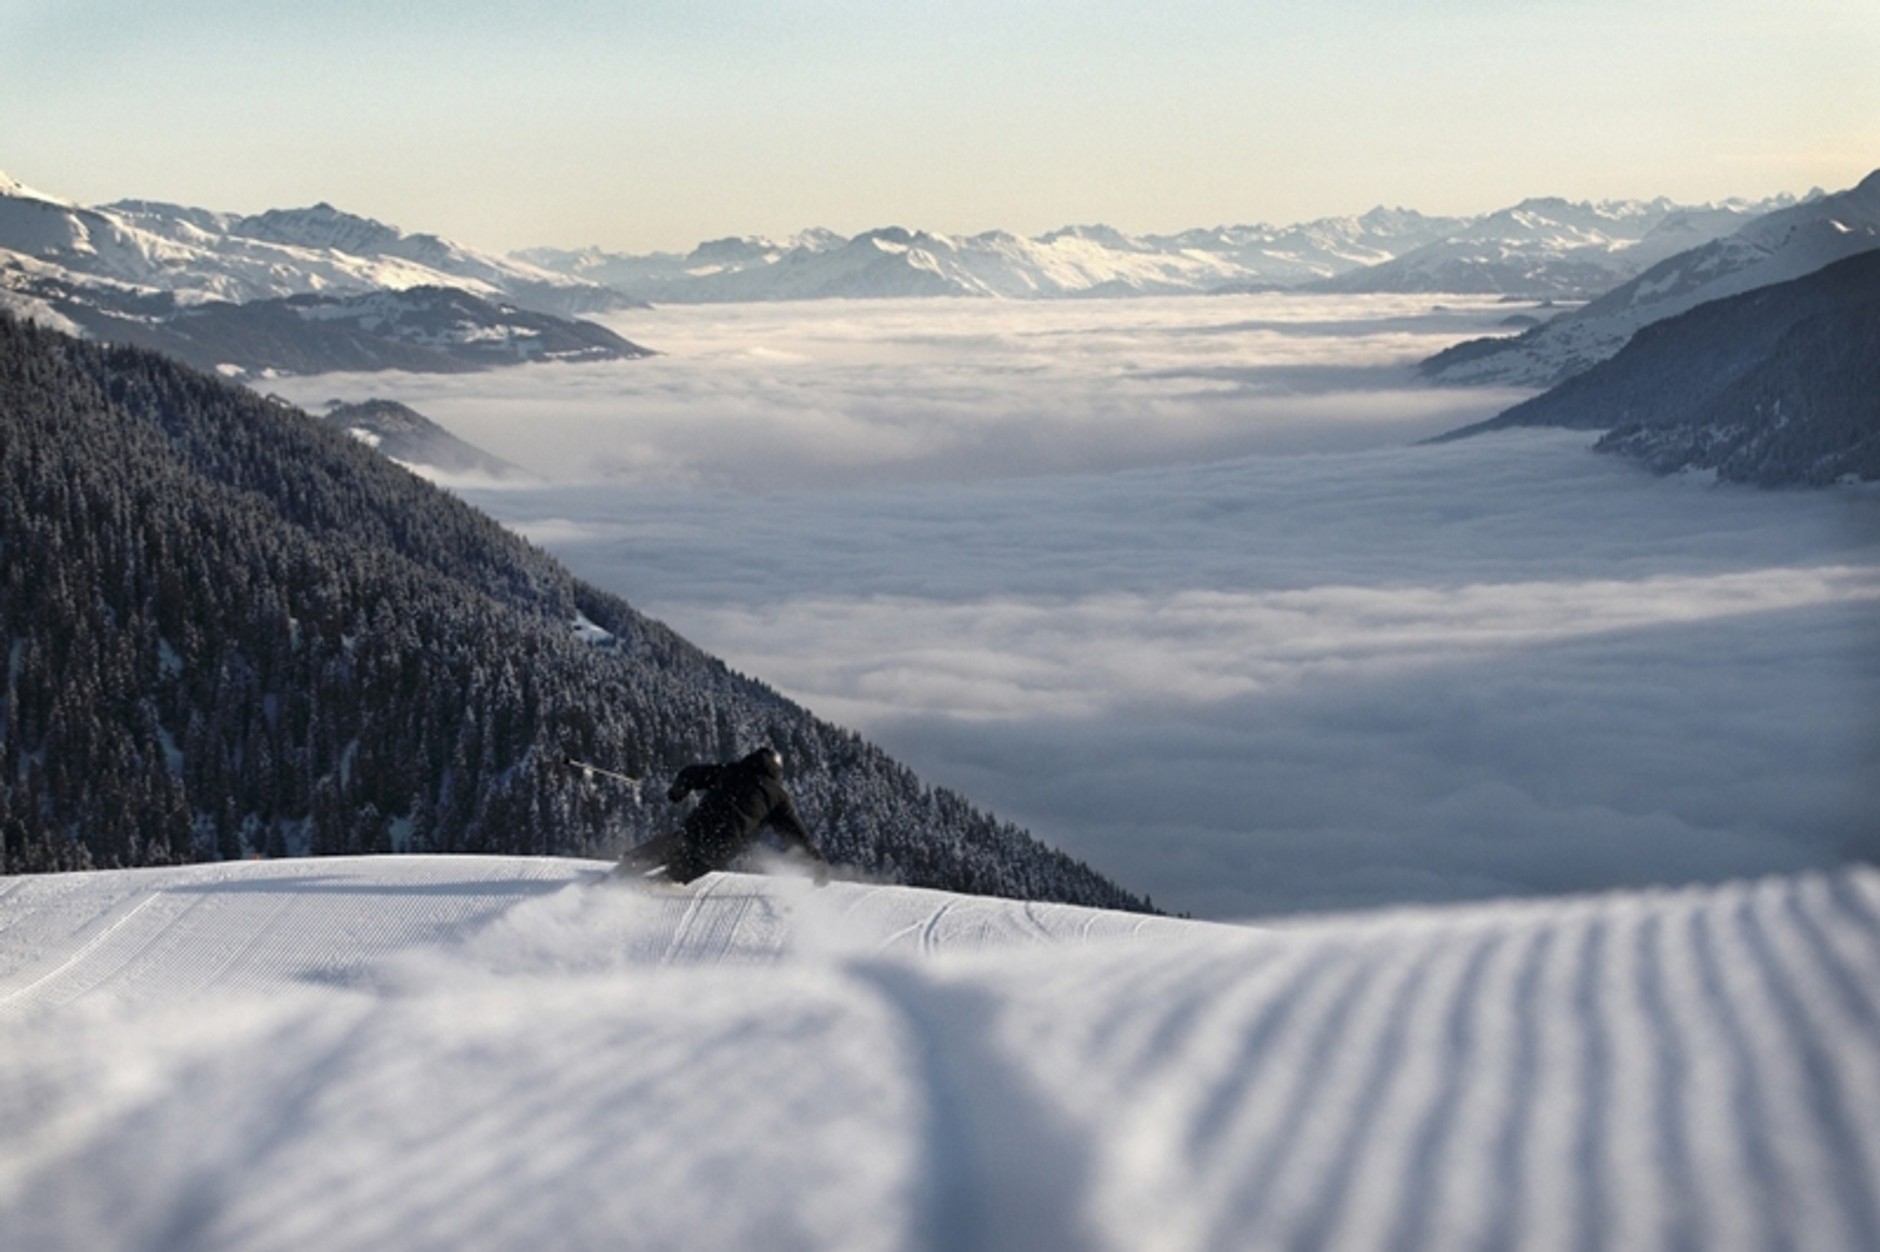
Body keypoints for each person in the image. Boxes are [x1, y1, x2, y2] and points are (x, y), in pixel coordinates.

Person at [616, 747, 831, 886]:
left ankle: (623, 871)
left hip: (696, 828)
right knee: (679, 872)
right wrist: (817, 865)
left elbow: (691, 773)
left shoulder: (731, 771)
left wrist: (677, 791)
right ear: (777, 772)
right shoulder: (777, 797)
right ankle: (642, 891)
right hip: (722, 847)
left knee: (667, 848)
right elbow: (796, 837)